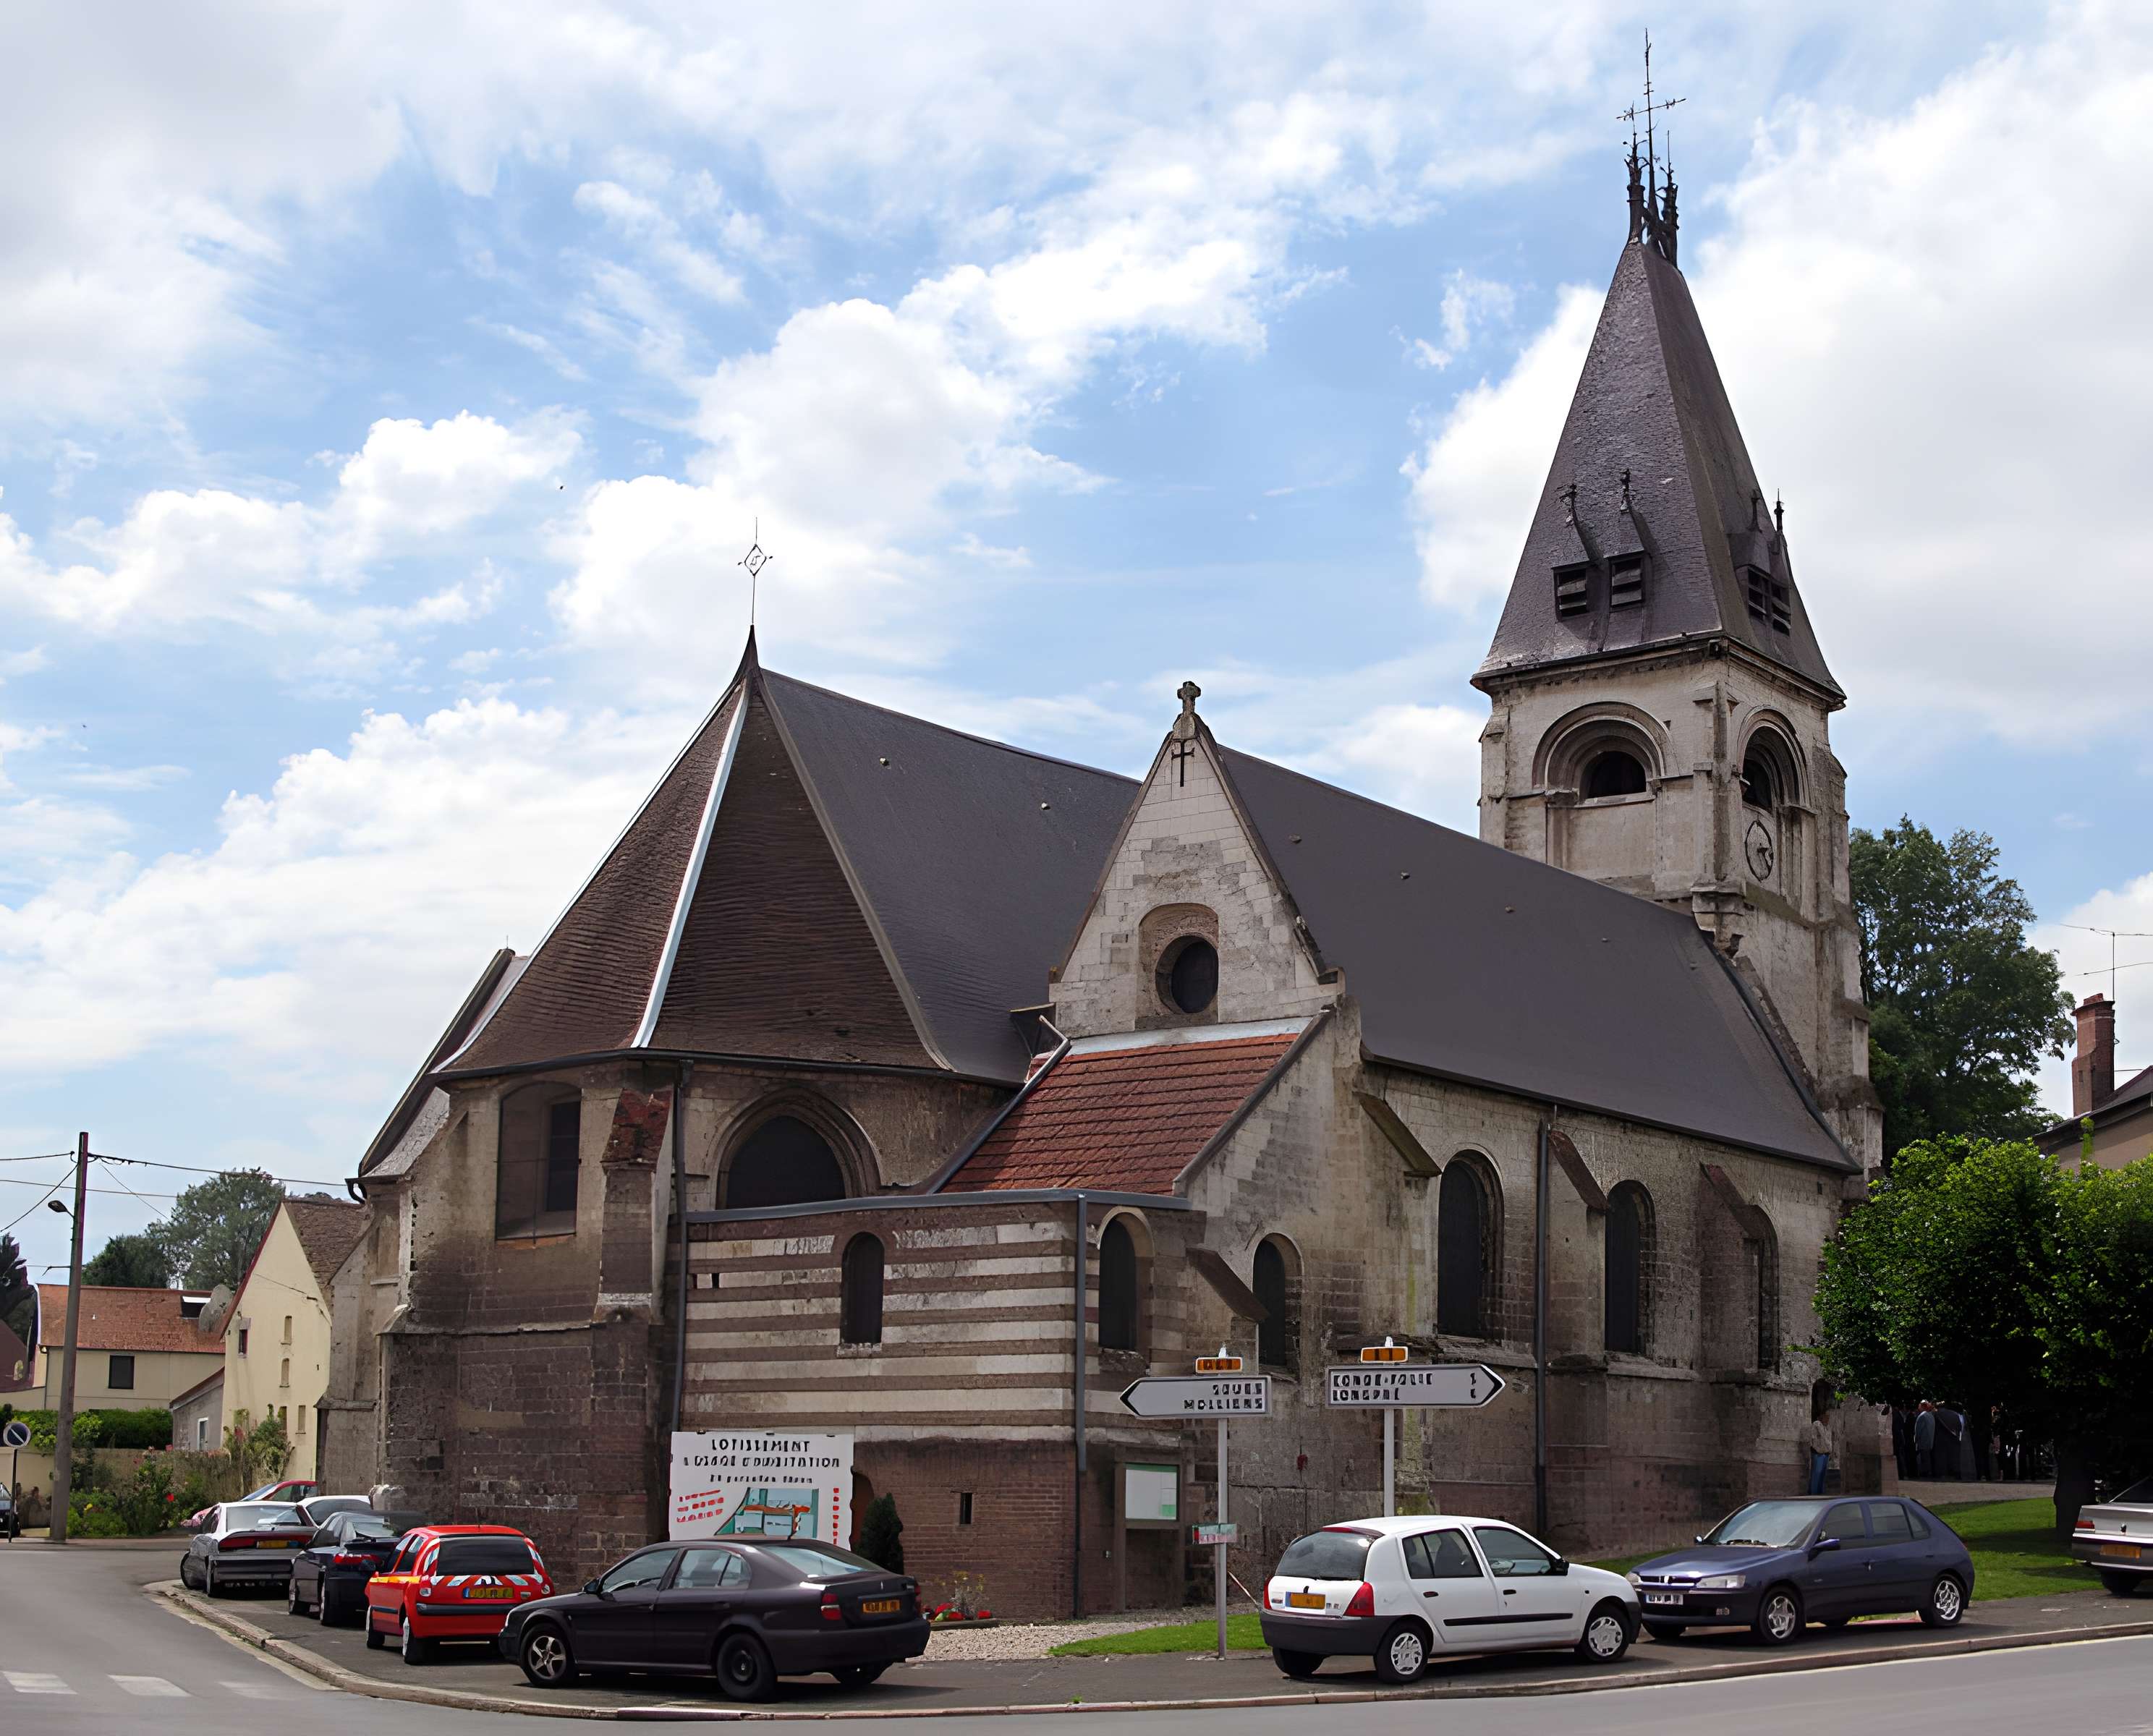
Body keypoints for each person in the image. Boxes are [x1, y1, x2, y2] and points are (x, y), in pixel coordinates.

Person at [1806, 1408, 1833, 1494]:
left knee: (1822, 1474)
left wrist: (1829, 1450)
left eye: (1828, 1417)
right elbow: (1814, 1438)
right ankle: (1813, 1492)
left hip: (1826, 1452)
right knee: (1817, 1473)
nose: (1828, 1419)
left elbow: (1828, 1440)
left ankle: (1820, 1492)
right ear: (1821, 1416)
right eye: (1826, 1417)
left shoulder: (1827, 1427)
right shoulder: (1817, 1424)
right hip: (1818, 1452)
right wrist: (1817, 1449)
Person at [1914, 1400, 1937, 1478]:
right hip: (1930, 1440)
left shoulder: (1922, 1416)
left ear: (1923, 1406)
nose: (1918, 1407)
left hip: (1923, 1440)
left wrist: (1916, 1440)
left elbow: (1918, 1430)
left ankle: (1926, 1472)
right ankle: (1928, 1471)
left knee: (1924, 1458)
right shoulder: (1931, 1415)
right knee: (1927, 1458)